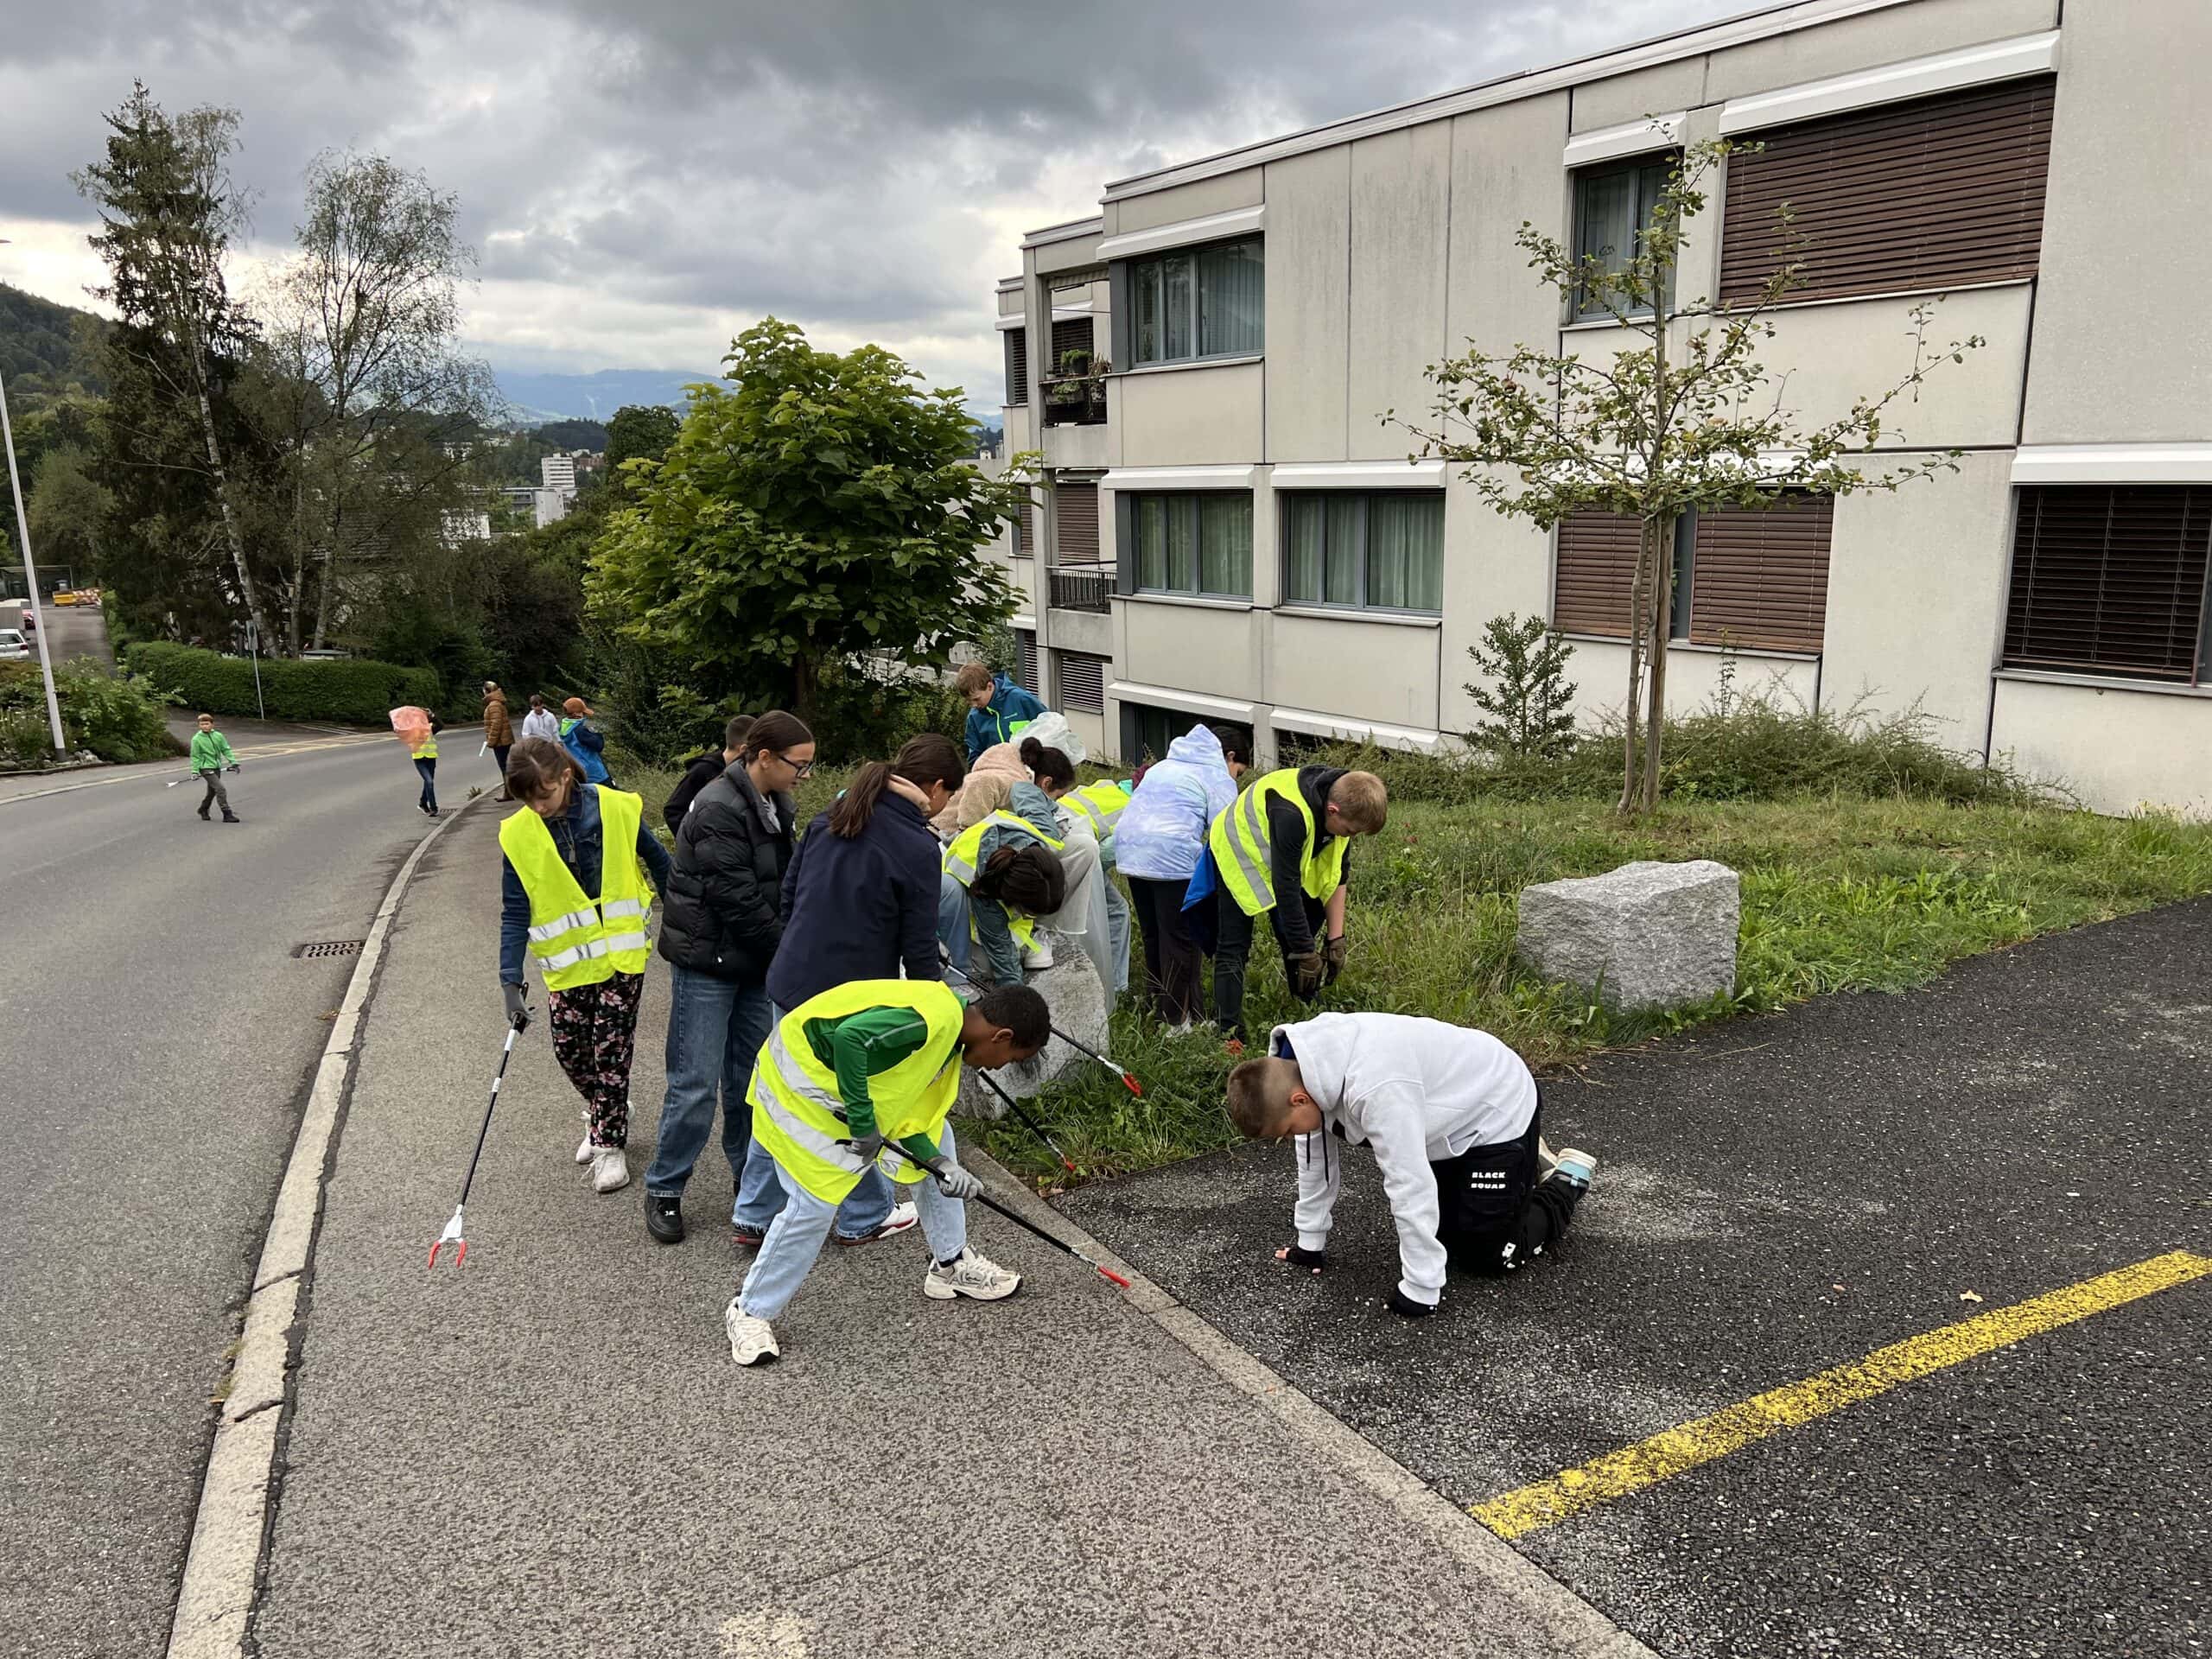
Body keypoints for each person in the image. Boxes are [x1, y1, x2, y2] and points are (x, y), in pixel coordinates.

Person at [725, 980, 1048, 1367]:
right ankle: (748, 1311)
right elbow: (850, 1039)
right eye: (1011, 1058)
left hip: (827, 1085)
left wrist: (940, 1164)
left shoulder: (951, 1037)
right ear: (1002, 1036)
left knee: (939, 1134)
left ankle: (951, 1264)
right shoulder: (932, 1021)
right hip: (801, 1085)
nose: (1001, 1067)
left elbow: (908, 1112)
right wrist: (863, 1122)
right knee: (812, 1206)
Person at [734, 733, 969, 1250]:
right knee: (849, 1104)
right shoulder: (916, 845)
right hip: (845, 997)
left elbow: (791, 893)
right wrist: (935, 1014)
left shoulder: (837, 811)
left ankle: (752, 1213)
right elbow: (920, 950)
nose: (945, 806)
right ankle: (864, 1215)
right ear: (933, 787)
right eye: (948, 795)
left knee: (781, 1096)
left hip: (792, 977)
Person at [1224, 1013, 1598, 1317]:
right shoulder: (1300, 1069)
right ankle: (1522, 1167)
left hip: (1497, 1109)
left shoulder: (1376, 1087)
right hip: (1445, 1121)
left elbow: (1409, 1183)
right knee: (1447, 1235)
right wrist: (1310, 1241)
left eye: (1289, 1131)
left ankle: (1565, 1180)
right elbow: (1314, 1162)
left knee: (1491, 1255)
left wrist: (1421, 1287)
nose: (1292, 1138)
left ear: (1299, 1100)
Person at [642, 712, 809, 1245]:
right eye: (797, 766)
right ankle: (665, 1187)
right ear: (763, 758)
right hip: (708, 964)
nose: (803, 776)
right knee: (694, 1085)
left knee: (750, 1082)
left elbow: (782, 883)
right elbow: (736, 898)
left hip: (755, 964)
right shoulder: (717, 806)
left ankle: (748, 1183)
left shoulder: (777, 803)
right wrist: (790, 951)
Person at [498, 737, 672, 1194]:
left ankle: (608, 1145)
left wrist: (687, 919)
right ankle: (607, 1111)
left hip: (621, 956)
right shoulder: (517, 833)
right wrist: (509, 978)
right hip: (569, 964)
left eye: (545, 794)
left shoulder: (615, 808)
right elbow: (515, 910)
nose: (538, 806)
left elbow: (660, 863)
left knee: (610, 1053)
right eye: (528, 799)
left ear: (566, 777)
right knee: (570, 1052)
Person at [1202, 764, 1388, 1045]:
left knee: (1300, 938)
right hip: (1240, 851)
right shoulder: (1291, 814)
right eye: (1350, 831)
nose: (1350, 837)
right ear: (1333, 811)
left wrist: (1336, 940)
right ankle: (1229, 1034)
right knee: (1234, 945)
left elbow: (1340, 871)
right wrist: (1306, 952)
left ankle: (1310, 1013)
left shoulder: (1345, 798)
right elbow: (1286, 890)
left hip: (1284, 855)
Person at [1117, 724, 1249, 1026]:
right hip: (1171, 857)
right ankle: (1178, 1022)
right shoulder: (1216, 775)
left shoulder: (1165, 765)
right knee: (1182, 942)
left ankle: (1161, 1007)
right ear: (1229, 756)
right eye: (1239, 771)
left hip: (1132, 851)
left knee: (1155, 935)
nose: (1236, 778)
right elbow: (1224, 830)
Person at [1014, 736, 1131, 996]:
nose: (1059, 800)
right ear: (1046, 783)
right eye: (1059, 795)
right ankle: (1118, 985)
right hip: (1076, 854)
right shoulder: (1134, 809)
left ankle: (1116, 984)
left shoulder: (1107, 785)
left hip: (1070, 847)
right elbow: (1104, 855)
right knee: (1116, 910)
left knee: (1116, 909)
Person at [938, 773, 1068, 986]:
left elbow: (1023, 789)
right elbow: (1002, 955)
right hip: (950, 890)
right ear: (1012, 896)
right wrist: (1015, 998)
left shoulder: (1044, 842)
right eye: (1030, 912)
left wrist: (1053, 807)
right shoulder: (987, 892)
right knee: (988, 968)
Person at [663, 714, 753, 838]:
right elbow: (673, 810)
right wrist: (695, 840)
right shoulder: (703, 771)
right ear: (743, 750)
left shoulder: (744, 774)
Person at [956, 661, 1046, 763]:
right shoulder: (974, 718)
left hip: (1034, 769)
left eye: (977, 699)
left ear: (989, 686)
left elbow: (1049, 725)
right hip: (1000, 775)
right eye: (969, 701)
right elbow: (975, 757)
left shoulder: (1020, 699)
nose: (974, 705)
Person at [188, 713, 240, 824]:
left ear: (212, 724)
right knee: (220, 789)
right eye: (202, 724)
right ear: (199, 726)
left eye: (207, 724)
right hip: (205, 768)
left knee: (212, 792)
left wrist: (233, 762)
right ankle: (227, 814)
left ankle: (203, 809)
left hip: (216, 767)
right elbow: (195, 756)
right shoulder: (196, 739)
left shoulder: (218, 736)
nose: (204, 726)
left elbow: (226, 749)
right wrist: (194, 771)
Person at [559, 696, 612, 785]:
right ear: (577, 714)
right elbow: (599, 745)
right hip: (595, 774)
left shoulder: (563, 729)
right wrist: (597, 734)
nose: (584, 715)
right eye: (583, 713)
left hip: (579, 774)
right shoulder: (580, 731)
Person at [411, 714, 446, 817]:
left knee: (428, 782)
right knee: (429, 782)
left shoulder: (430, 728)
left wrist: (433, 715)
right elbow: (399, 731)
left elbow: (441, 725)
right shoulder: (410, 730)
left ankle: (422, 803)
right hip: (419, 759)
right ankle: (433, 808)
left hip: (431, 758)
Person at [482, 681, 513, 785]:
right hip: (504, 740)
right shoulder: (498, 702)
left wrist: (491, 741)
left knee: (504, 766)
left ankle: (508, 791)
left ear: (487, 691)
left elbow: (496, 724)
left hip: (500, 742)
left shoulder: (494, 705)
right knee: (506, 765)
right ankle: (509, 790)